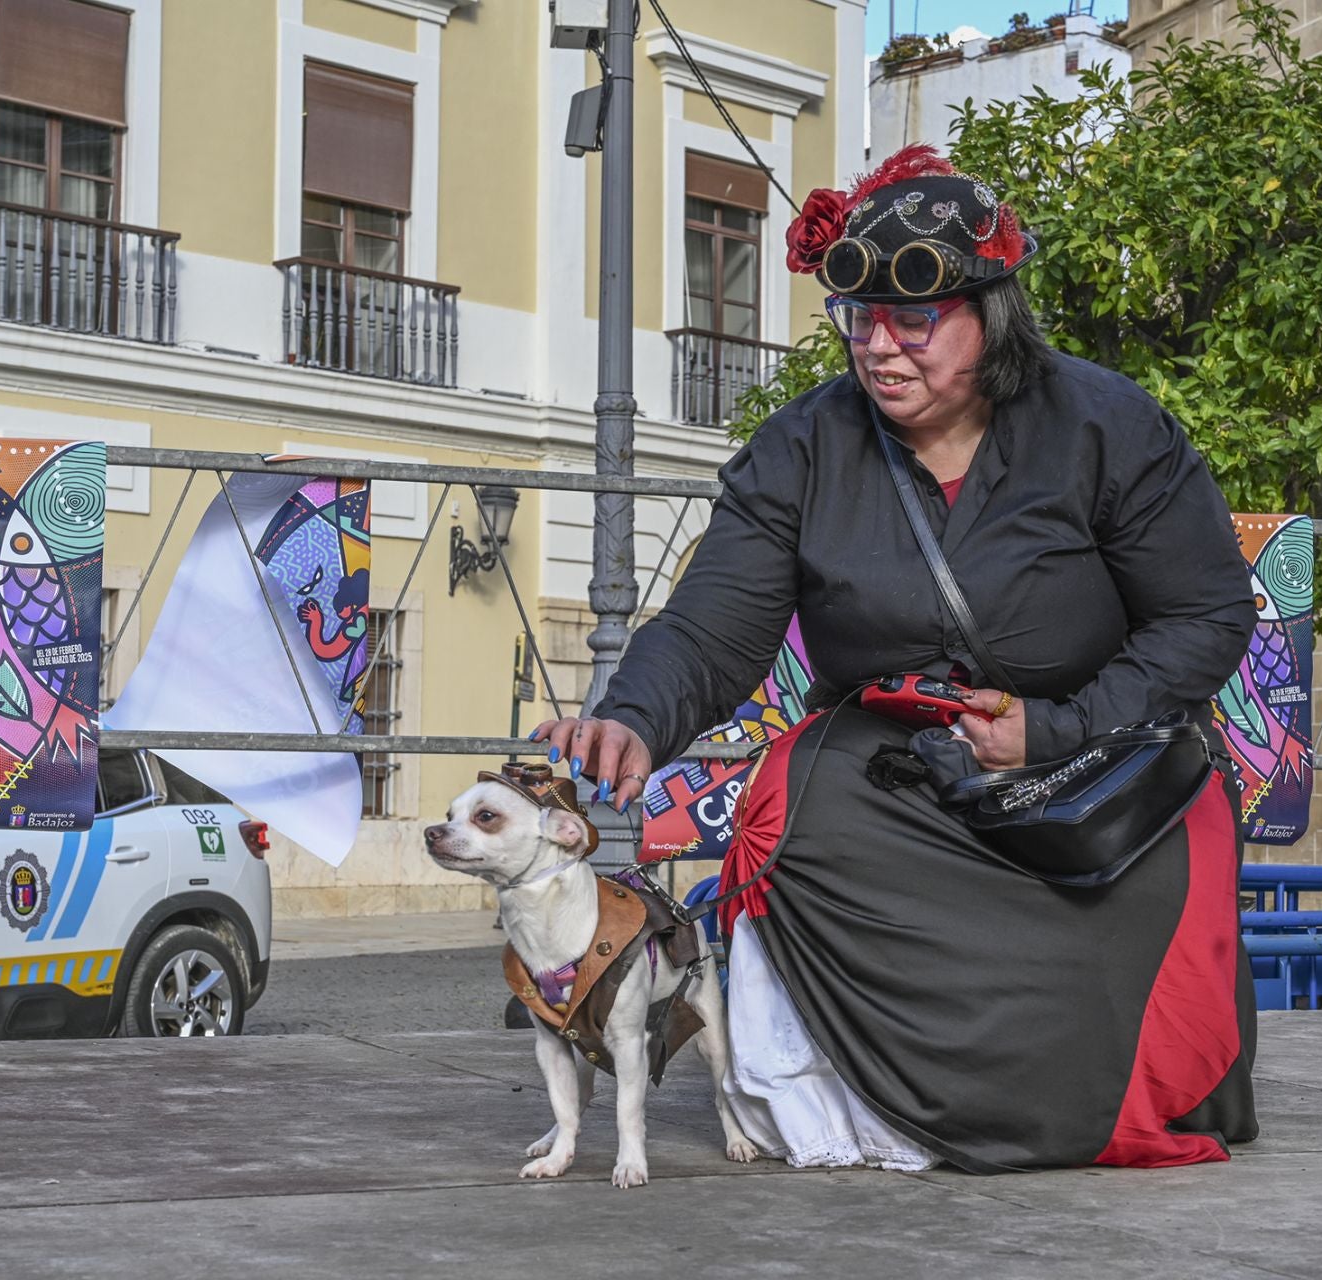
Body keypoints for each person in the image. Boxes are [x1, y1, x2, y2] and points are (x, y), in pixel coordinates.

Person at [533, 145, 1258, 1172]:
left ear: (991, 315)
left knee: (1135, 906)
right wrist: (635, 714)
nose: (880, 346)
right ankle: (859, 1107)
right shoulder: (802, 448)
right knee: (787, 803)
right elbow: (714, 622)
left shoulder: (1109, 427)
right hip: (901, 768)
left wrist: (1051, 726)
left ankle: (1069, 1096)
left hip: (1099, 760)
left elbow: (1205, 616)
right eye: (857, 318)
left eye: (912, 320)